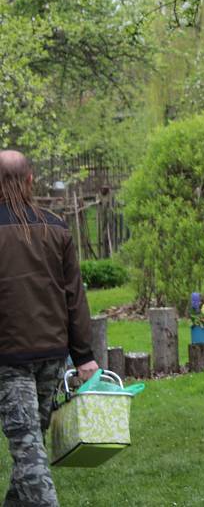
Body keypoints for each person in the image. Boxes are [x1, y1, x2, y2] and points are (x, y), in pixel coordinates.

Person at [0, 150, 99, 504]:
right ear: (30, 180)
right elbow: (75, 296)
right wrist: (83, 354)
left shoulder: (54, 228)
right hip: (52, 354)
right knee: (29, 445)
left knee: (27, 449)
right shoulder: (56, 227)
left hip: (9, 356)